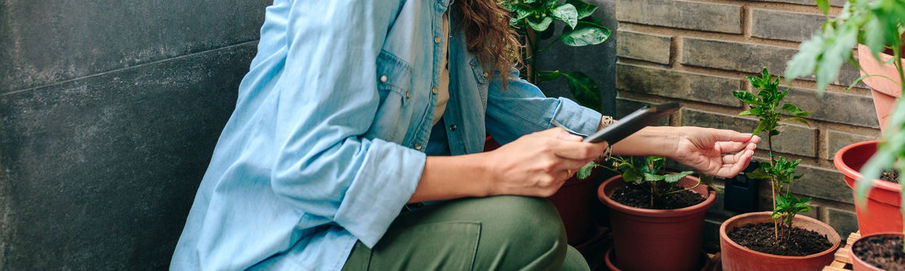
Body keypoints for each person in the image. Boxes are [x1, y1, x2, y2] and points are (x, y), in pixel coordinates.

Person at [170, 0, 761, 270]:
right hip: (290, 248)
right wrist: (495, 173)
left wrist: (668, 143)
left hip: (365, 234)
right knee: (523, 228)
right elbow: (309, 165)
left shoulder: (454, 10)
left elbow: (520, 108)